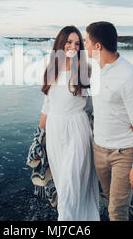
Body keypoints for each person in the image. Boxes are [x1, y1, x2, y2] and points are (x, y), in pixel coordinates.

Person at [84, 21, 133, 221]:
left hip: (123, 153)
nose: (84, 46)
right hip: (99, 149)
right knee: (109, 199)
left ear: (98, 46)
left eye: (87, 41)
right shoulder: (96, 69)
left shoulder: (129, 77)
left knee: (116, 210)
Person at [38, 25, 100, 221]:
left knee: (70, 184)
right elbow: (48, 103)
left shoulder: (86, 70)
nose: (73, 46)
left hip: (77, 129)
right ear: (60, 43)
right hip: (54, 132)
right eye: (69, 42)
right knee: (63, 184)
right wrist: (40, 133)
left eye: (77, 43)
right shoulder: (51, 69)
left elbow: (97, 103)